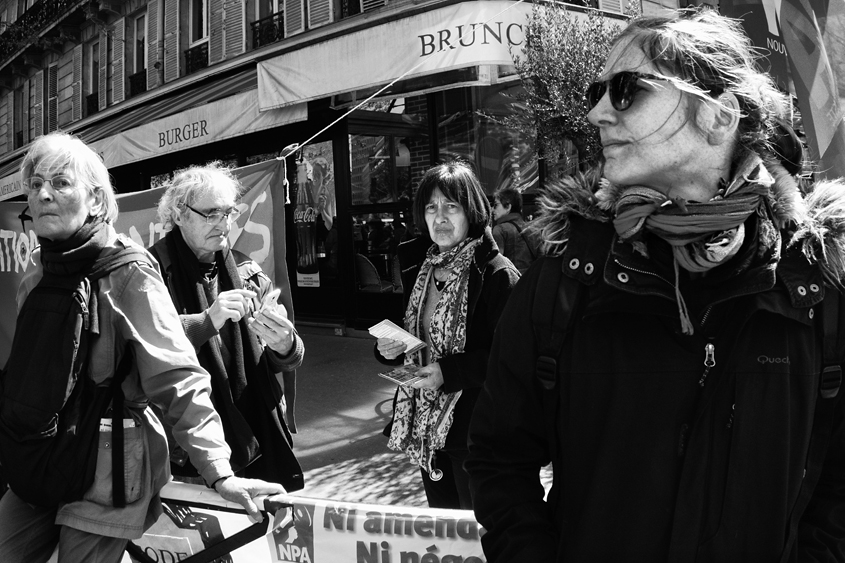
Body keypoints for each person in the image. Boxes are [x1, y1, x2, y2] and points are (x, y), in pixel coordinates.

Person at [466, 8, 845, 561]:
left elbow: (836, 484)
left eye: (626, 90)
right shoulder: (568, 272)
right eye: (598, 92)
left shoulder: (815, 284)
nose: (596, 112)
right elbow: (499, 458)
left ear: (719, 115)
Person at [0, 132, 284, 562]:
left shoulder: (128, 271)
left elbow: (177, 376)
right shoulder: (36, 278)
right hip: (38, 460)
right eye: (36, 183)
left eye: (60, 182)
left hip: (108, 472)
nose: (43, 193)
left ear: (96, 199)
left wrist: (219, 472)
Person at [149, 163, 305, 491]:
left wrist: (285, 344)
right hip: (189, 453)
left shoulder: (245, 269)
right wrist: (208, 321)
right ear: (178, 215)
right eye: (211, 214)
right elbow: (146, 346)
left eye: (229, 213)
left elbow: (290, 355)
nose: (224, 224)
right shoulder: (150, 273)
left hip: (259, 434)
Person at [375, 161, 519, 509]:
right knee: (443, 535)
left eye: (450, 206)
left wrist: (447, 372)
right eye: (431, 207)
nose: (439, 217)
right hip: (427, 427)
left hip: (477, 431)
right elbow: (410, 334)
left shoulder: (497, 275)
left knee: (478, 533)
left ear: (471, 211)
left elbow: (512, 358)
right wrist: (388, 348)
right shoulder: (419, 268)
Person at [491, 187, 538, 273]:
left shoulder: (499, 229)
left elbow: (496, 264)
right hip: (531, 280)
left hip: (512, 281)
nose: (492, 209)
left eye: (496, 205)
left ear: (508, 206)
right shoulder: (532, 228)